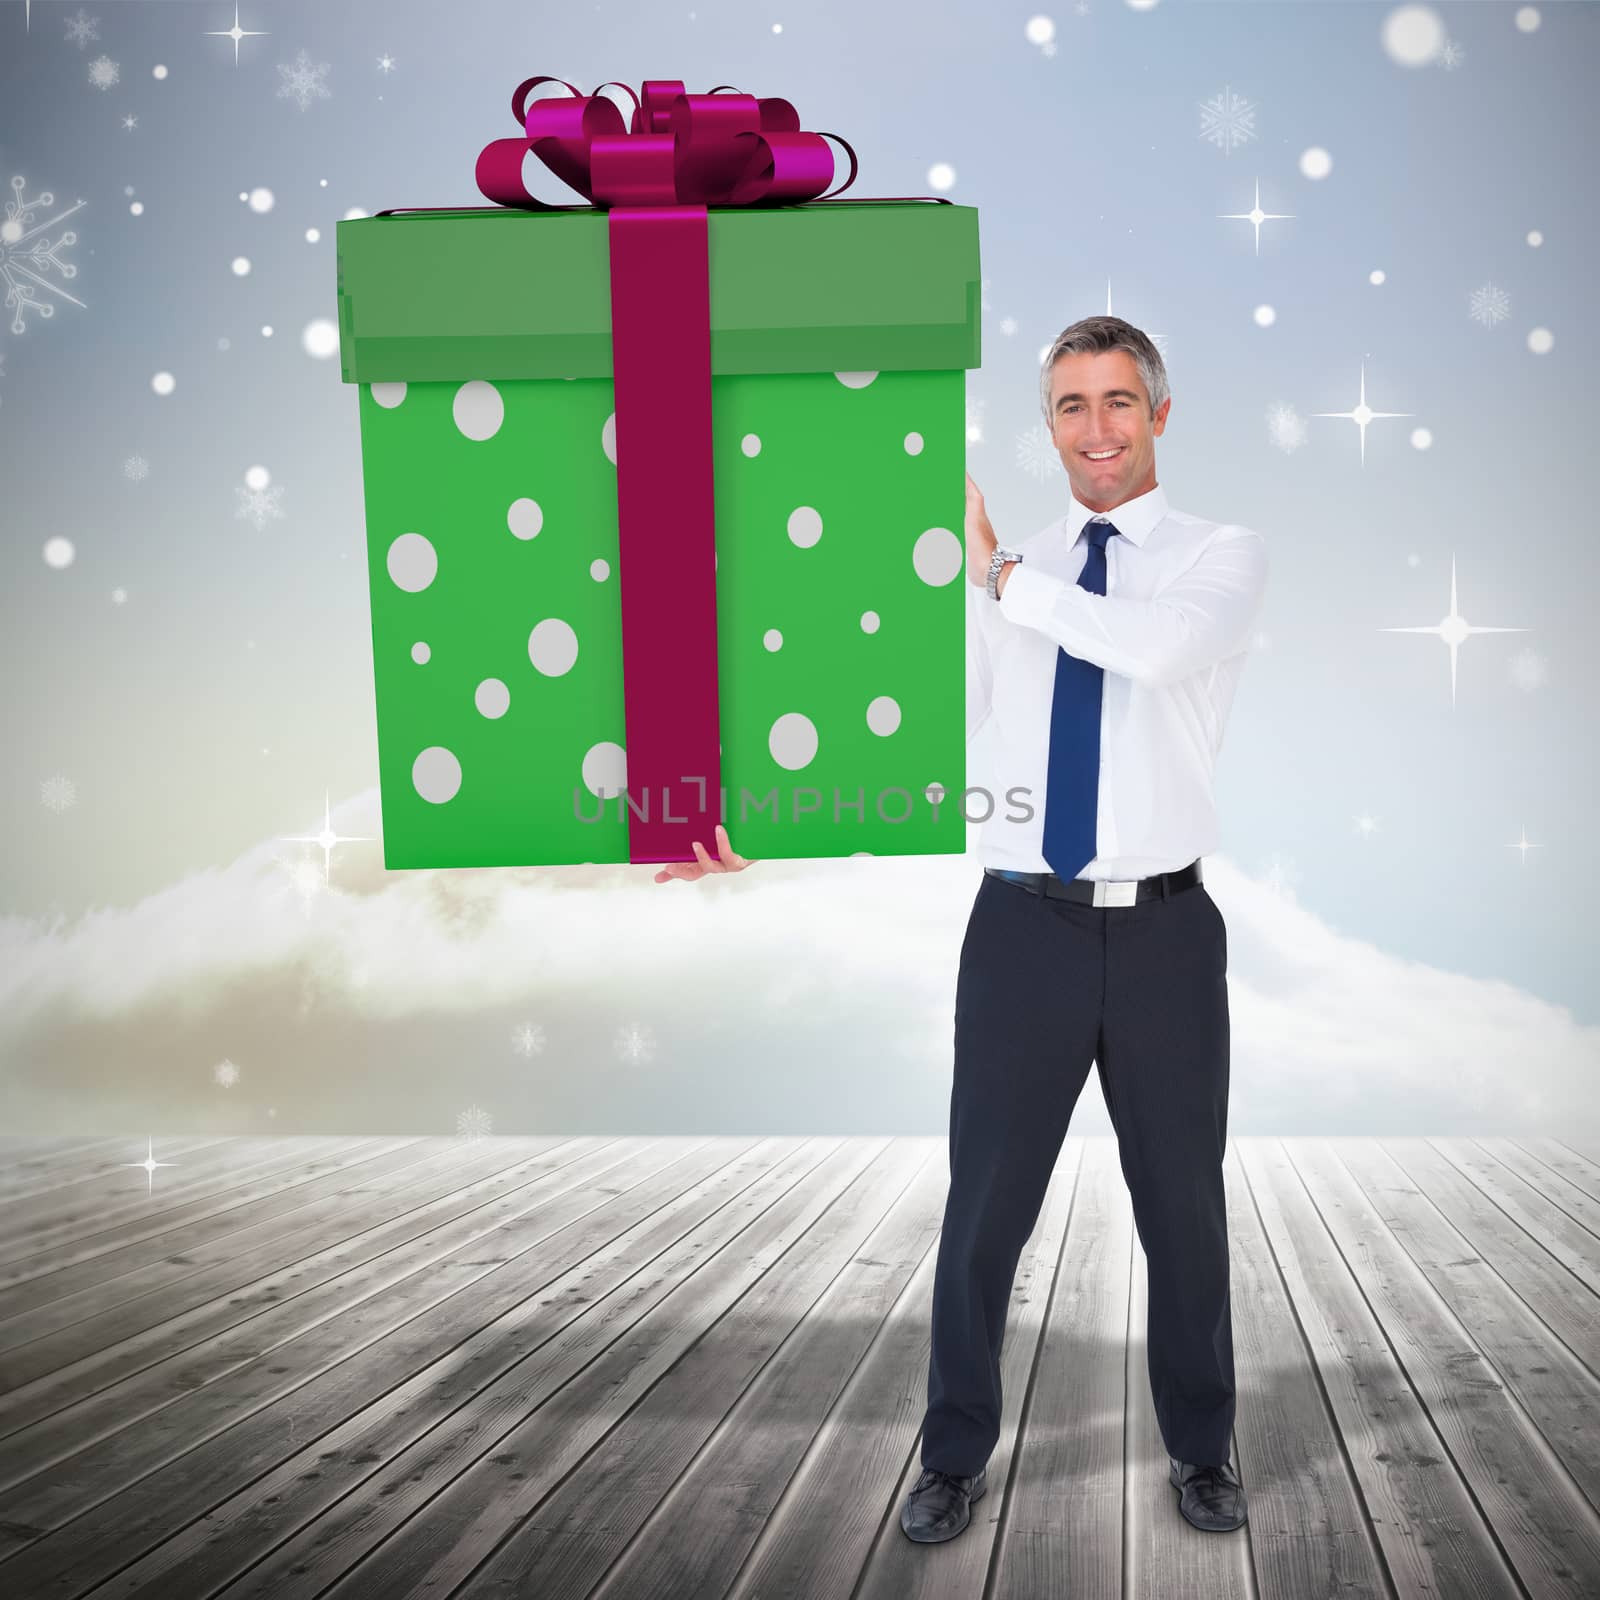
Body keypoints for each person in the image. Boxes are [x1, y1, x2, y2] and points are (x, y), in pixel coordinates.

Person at [656, 313, 1266, 1547]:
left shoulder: (1214, 556)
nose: (1093, 430)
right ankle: (951, 1455)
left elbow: (1146, 651)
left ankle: (1202, 1448)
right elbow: (943, 748)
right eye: (1067, 407)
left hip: (1162, 936)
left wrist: (1000, 579)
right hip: (1020, 934)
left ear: (1159, 412)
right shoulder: (1009, 571)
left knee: (1183, 1209)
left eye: (1114, 402)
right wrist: (770, 823)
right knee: (983, 1207)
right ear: (1046, 426)